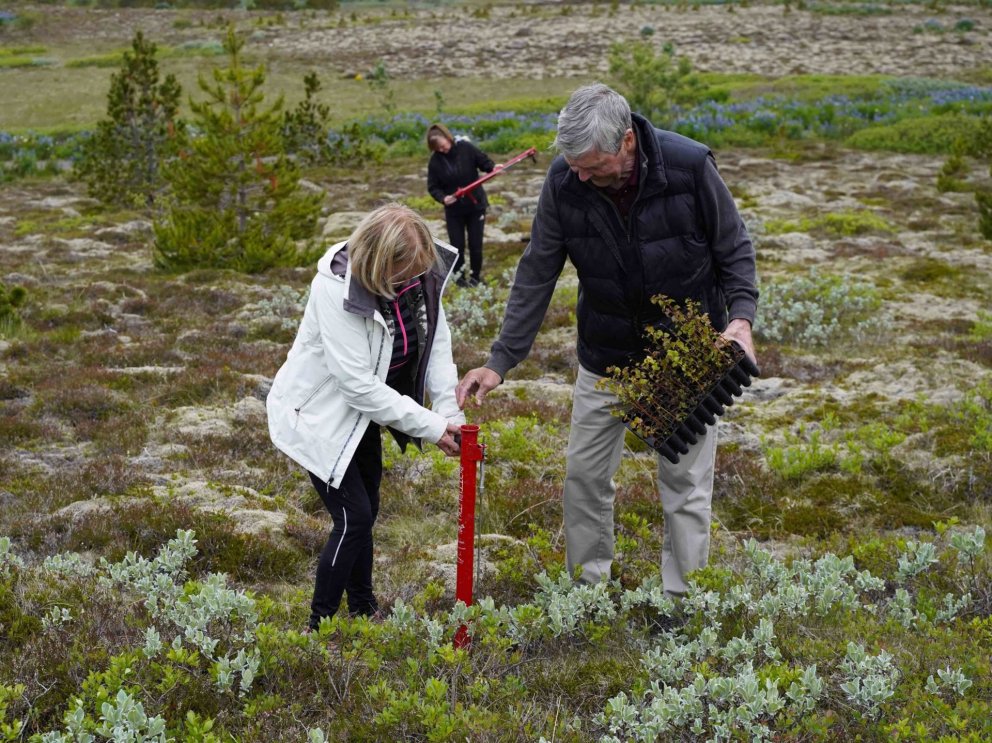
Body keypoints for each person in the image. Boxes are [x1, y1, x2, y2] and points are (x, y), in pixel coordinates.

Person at [456, 84, 758, 598]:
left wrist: (742, 320)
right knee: (584, 480)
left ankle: (682, 605)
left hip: (684, 360)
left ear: (625, 142)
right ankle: (585, 596)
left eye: (591, 166)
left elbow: (734, 249)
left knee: (685, 488)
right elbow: (537, 272)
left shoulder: (689, 168)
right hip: (606, 359)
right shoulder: (564, 182)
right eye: (572, 165)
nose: (580, 176)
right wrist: (500, 360)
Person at [267, 203, 464, 630]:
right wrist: (432, 427)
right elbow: (356, 385)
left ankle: (362, 606)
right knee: (352, 517)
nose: (414, 280)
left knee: (367, 510)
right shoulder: (334, 291)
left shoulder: (419, 275)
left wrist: (449, 412)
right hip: (319, 417)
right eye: (405, 272)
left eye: (418, 271)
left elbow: (436, 346)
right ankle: (318, 626)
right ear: (379, 263)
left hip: (364, 417)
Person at [426, 123, 496, 287]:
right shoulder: (435, 162)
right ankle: (459, 279)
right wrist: (444, 198)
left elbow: (484, 162)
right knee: (457, 245)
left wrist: (493, 167)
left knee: (475, 243)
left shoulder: (465, 148)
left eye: (443, 146)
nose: (443, 150)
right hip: (454, 211)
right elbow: (432, 187)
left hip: (475, 205)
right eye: (438, 149)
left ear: (448, 137)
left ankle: (475, 277)